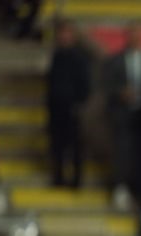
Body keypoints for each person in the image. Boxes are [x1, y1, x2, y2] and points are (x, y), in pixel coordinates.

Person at [103, 20, 141, 210]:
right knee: (123, 152)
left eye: (138, 33)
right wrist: (121, 92)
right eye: (131, 34)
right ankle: (120, 188)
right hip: (123, 114)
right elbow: (106, 86)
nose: (134, 37)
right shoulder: (116, 60)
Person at [46, 18, 91, 189]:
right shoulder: (56, 57)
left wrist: (78, 105)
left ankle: (76, 180)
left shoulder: (80, 59)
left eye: (67, 33)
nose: (64, 37)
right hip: (56, 110)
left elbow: (85, 85)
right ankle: (58, 177)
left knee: (75, 148)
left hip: (74, 111)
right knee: (57, 146)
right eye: (61, 34)